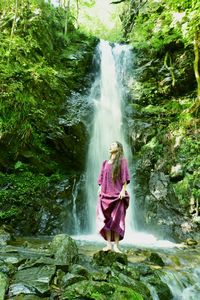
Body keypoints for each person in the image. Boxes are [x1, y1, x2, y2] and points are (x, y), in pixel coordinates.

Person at [96, 141, 130, 253]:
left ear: (119, 148)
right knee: (106, 219)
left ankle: (116, 246)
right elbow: (101, 177)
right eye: (110, 144)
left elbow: (124, 176)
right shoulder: (105, 163)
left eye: (113, 144)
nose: (110, 146)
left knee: (117, 220)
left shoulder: (122, 161)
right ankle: (108, 245)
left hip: (117, 196)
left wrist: (123, 190)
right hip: (105, 195)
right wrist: (100, 188)